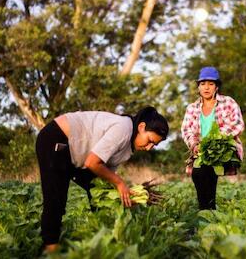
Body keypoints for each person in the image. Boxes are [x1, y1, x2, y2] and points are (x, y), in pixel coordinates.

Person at [35, 107, 169, 253]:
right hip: (56, 138)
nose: (149, 148)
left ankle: (101, 237)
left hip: (75, 152)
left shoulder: (128, 149)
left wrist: (124, 194)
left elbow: (104, 176)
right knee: (56, 196)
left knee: (98, 191)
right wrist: (119, 182)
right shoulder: (123, 129)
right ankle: (50, 248)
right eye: (150, 140)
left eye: (154, 145)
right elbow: (92, 163)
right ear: (141, 127)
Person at [181, 67, 244, 210]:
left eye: (210, 83)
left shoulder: (228, 103)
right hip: (202, 153)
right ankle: (208, 210)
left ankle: (206, 210)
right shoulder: (192, 108)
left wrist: (216, 141)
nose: (206, 87)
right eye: (203, 84)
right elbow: (186, 130)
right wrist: (194, 145)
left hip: (224, 151)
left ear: (216, 87)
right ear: (198, 87)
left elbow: (238, 124)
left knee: (205, 170)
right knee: (198, 173)